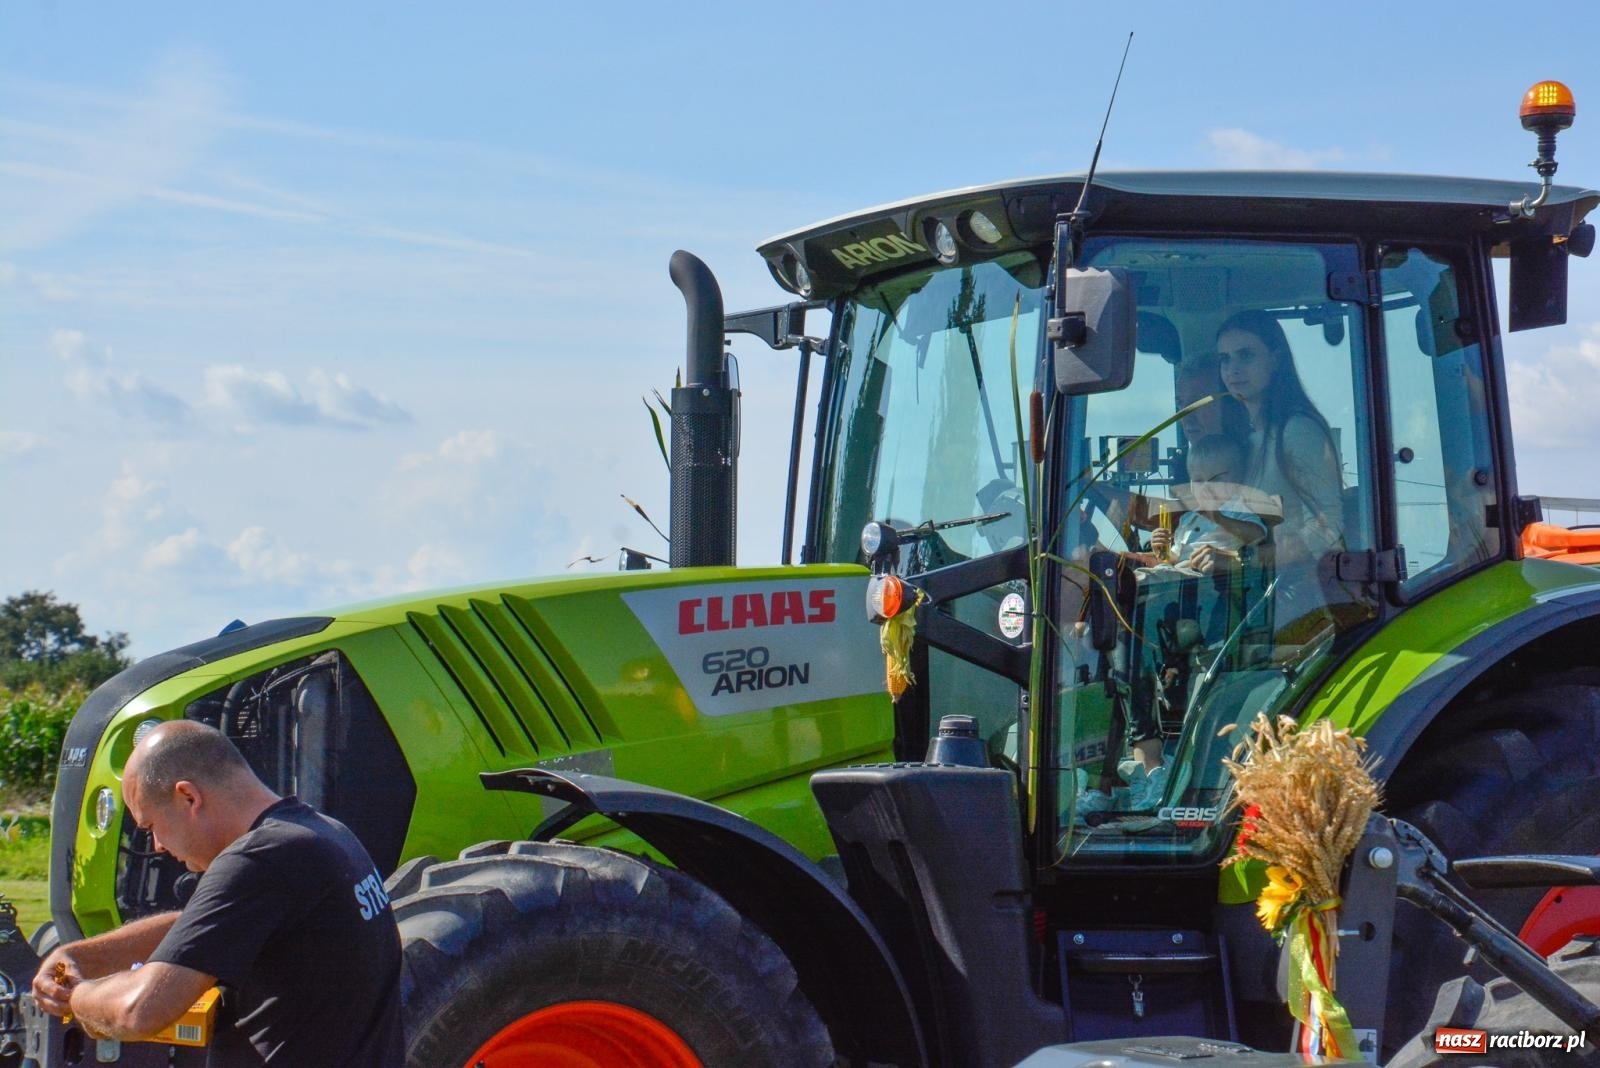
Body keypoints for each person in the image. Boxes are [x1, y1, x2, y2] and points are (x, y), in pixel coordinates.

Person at [31, 721, 404, 1067]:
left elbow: (140, 1010)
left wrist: (72, 994)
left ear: (188, 797)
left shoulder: (259, 859)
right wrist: (74, 956)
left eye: (152, 825)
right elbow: (202, 928)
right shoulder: (321, 833)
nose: (158, 845)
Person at [1215, 309, 1343, 568]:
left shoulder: (1298, 430)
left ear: (1276, 359)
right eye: (1225, 359)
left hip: (1292, 597)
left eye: (1246, 356)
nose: (1233, 369)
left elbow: (1326, 528)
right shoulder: (1247, 439)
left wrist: (1242, 562)